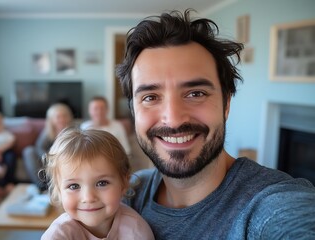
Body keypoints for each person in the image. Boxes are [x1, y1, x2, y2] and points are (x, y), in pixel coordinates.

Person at [115, 9, 315, 239]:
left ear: (226, 103)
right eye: (150, 97)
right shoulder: (129, 192)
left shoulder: (270, 205)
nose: (174, 119)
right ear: (133, 110)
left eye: (196, 93)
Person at [41, 128, 155, 240]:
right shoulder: (58, 235)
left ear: (124, 184)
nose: (88, 198)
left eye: (102, 183)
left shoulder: (137, 232)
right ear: (59, 191)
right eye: (74, 186)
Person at [22, 103, 74, 188]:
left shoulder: (73, 131)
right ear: (51, 119)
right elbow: (39, 148)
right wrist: (50, 158)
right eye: (58, 117)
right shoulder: (48, 132)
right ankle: (42, 186)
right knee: (28, 151)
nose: (61, 119)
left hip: (66, 161)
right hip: (50, 162)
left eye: (64, 116)